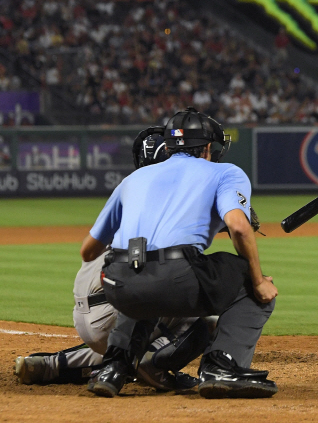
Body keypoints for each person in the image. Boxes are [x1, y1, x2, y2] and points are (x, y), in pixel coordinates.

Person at [82, 107, 278, 399]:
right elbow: (239, 227)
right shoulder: (226, 172)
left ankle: (113, 368)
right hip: (176, 276)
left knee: (140, 273)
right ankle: (221, 367)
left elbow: (88, 251)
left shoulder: (133, 179)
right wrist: (259, 278)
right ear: (209, 148)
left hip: (118, 283)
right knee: (248, 276)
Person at [14, 132, 212, 392]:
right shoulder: (169, 200)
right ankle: (155, 365)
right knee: (207, 299)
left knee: (124, 346)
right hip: (115, 312)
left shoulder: (132, 189)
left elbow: (89, 250)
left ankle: (52, 365)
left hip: (86, 312)